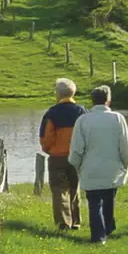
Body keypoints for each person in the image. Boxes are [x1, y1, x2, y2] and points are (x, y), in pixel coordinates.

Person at [68, 85, 128, 245]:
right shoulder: (118, 118)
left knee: (95, 202)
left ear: (92, 100)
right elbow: (125, 145)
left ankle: (99, 235)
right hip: (112, 168)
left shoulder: (83, 120)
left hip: (90, 168)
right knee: (109, 196)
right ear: (108, 100)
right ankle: (107, 228)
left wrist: (76, 164)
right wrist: (127, 161)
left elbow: (77, 147)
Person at [38, 78, 86, 232]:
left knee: (59, 190)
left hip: (57, 157)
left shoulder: (52, 113)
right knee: (74, 188)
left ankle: (63, 223)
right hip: (77, 156)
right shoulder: (82, 111)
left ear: (58, 94)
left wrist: (49, 149)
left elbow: (46, 138)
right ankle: (76, 221)